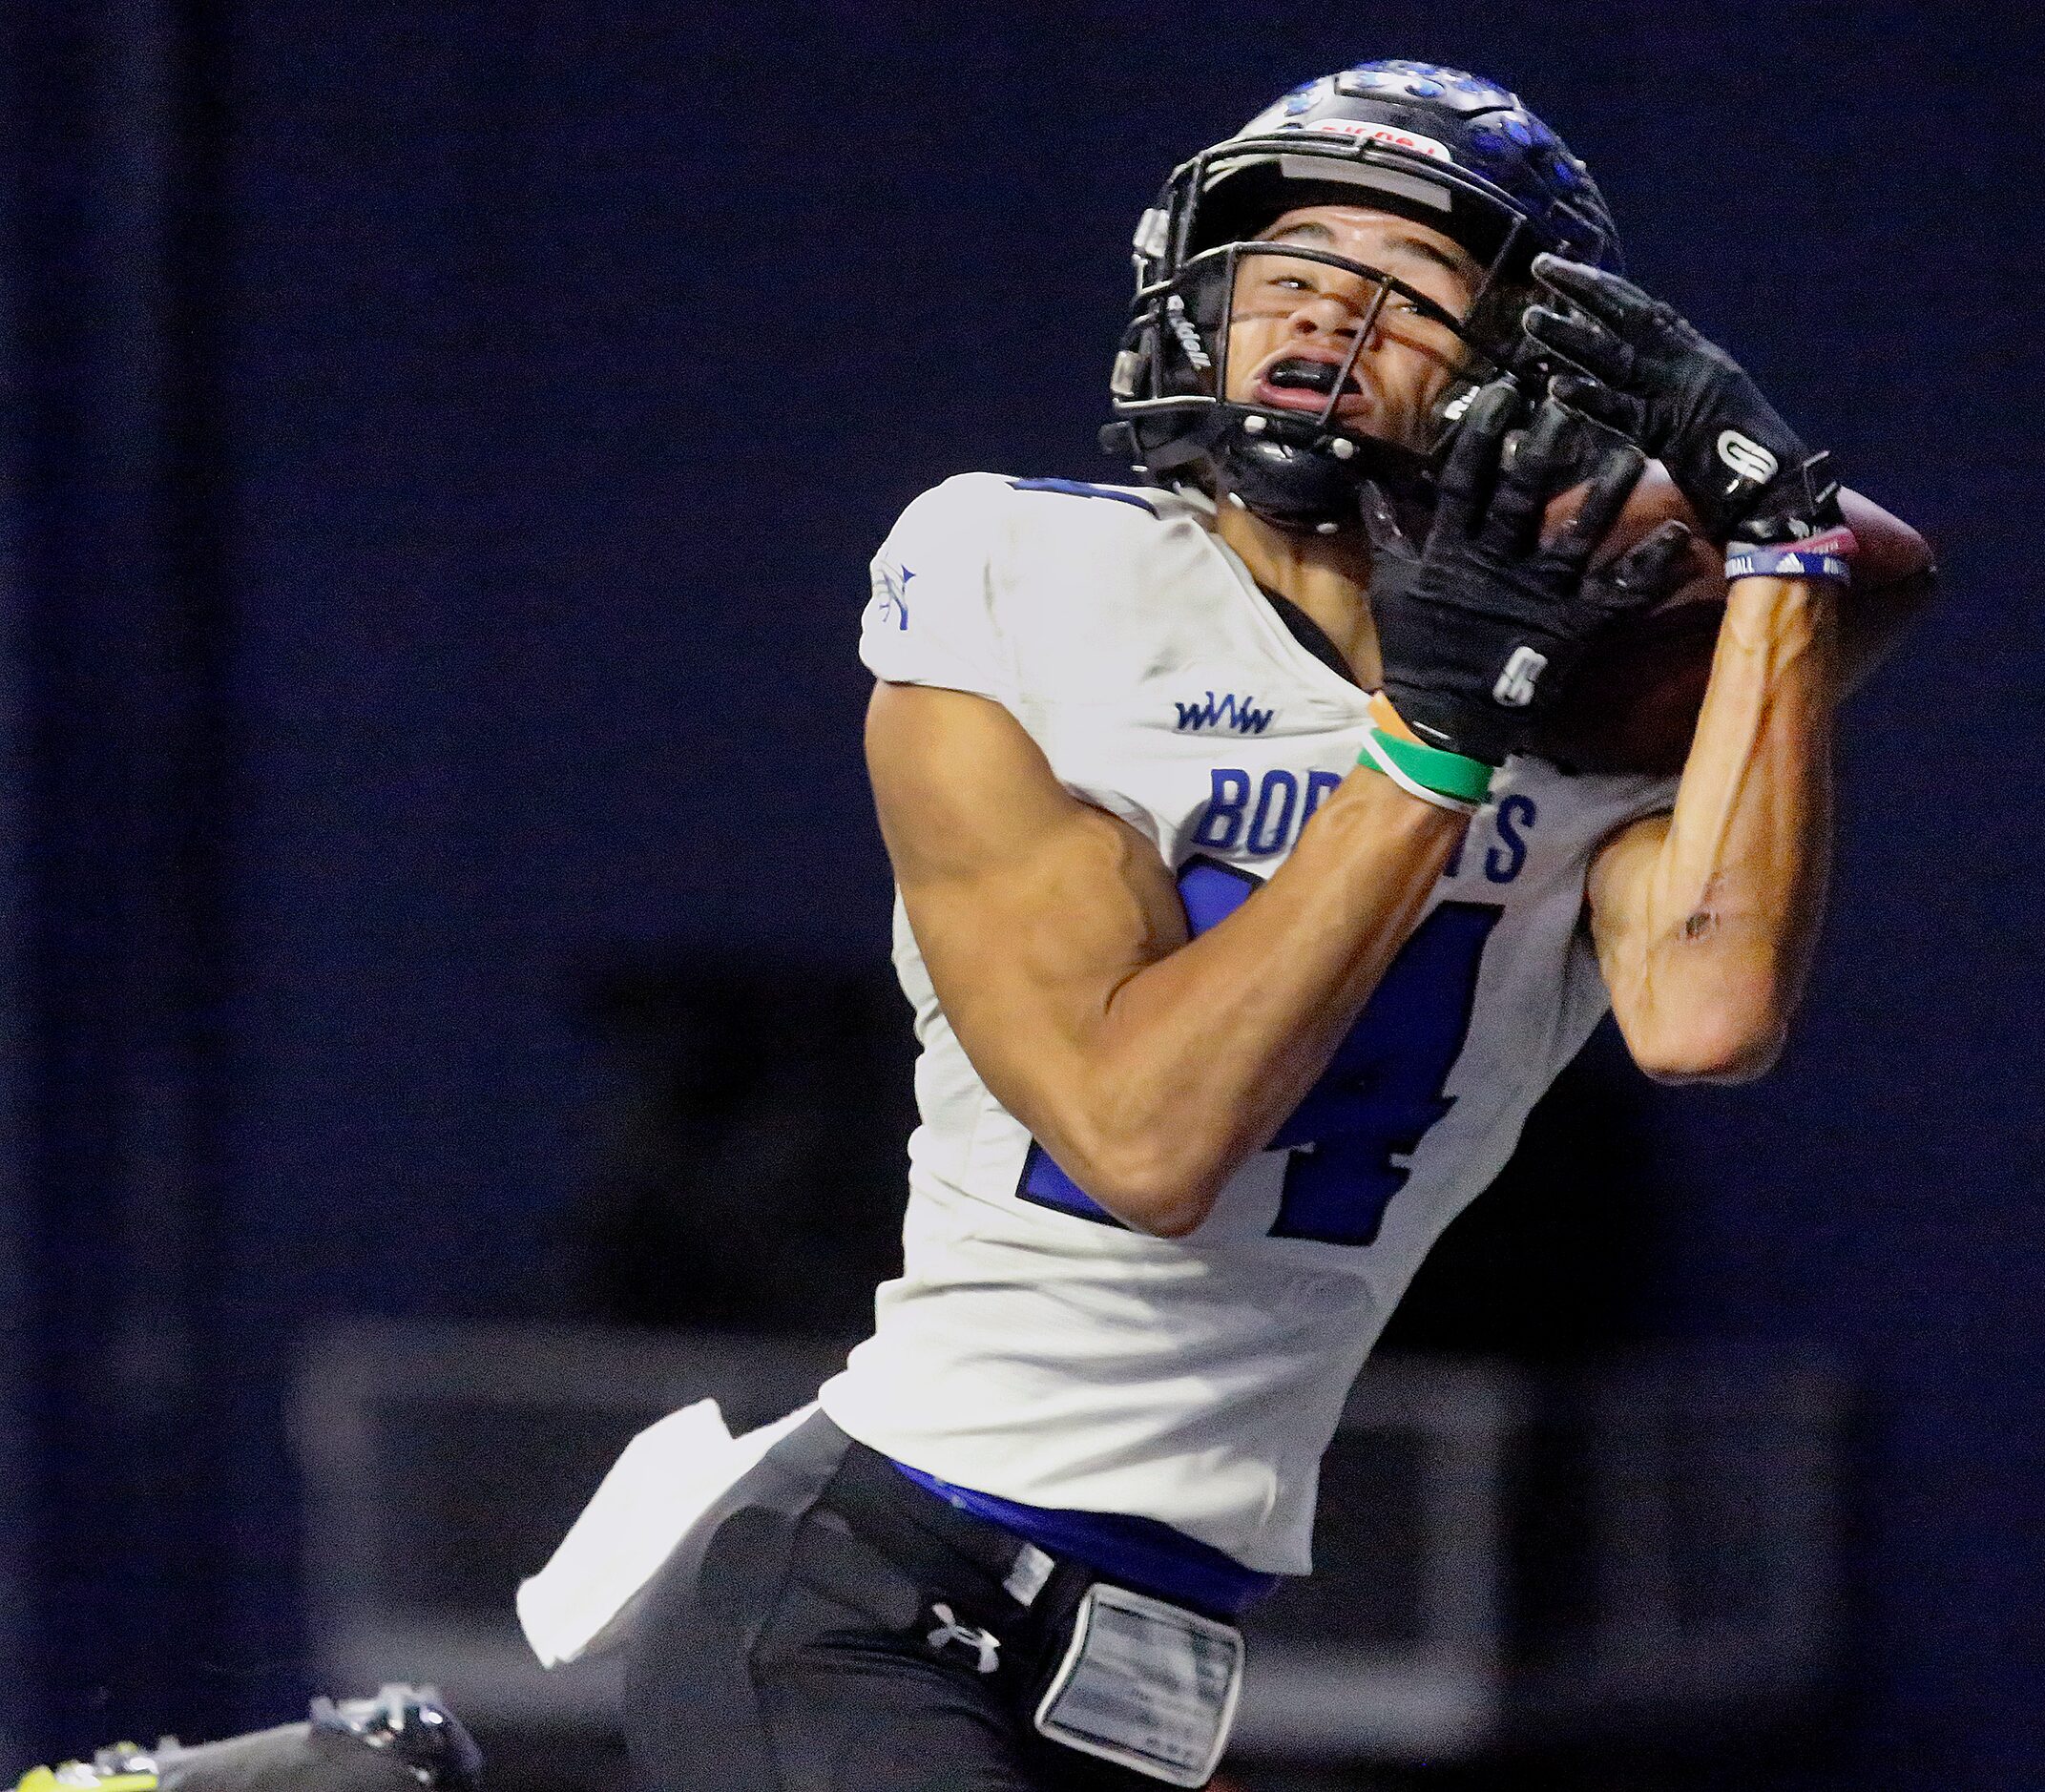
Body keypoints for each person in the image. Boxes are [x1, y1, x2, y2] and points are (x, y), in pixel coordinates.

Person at [521, 59, 1885, 1792]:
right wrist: (1431, 745)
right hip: (865, 1587)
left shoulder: (1578, 695)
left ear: (1529, 366)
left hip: (1144, 1650)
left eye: (1408, 279)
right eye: (1289, 254)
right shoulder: (1033, 576)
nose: (1326, 300)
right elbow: (1146, 1135)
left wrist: (1774, 541)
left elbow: (1710, 1015)